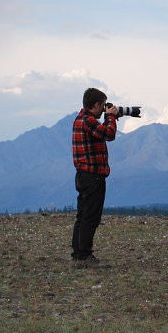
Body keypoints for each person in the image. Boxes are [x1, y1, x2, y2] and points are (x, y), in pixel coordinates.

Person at [71, 87, 120, 268]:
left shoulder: (80, 119)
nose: (103, 110)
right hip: (93, 176)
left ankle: (78, 254)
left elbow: (102, 132)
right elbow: (109, 134)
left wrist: (110, 118)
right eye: (103, 106)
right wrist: (111, 117)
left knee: (83, 215)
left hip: (83, 175)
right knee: (91, 217)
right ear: (97, 104)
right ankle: (84, 256)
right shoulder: (88, 121)